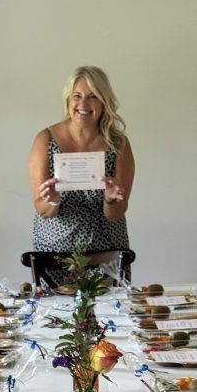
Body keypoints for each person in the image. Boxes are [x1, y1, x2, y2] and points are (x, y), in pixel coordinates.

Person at [28, 65, 134, 284]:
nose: (83, 104)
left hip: (107, 253)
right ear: (68, 100)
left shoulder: (118, 144)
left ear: (104, 102)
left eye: (93, 97)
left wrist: (110, 199)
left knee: (109, 317)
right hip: (55, 257)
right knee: (55, 317)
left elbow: (117, 213)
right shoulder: (45, 139)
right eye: (77, 96)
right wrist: (53, 201)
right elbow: (41, 208)